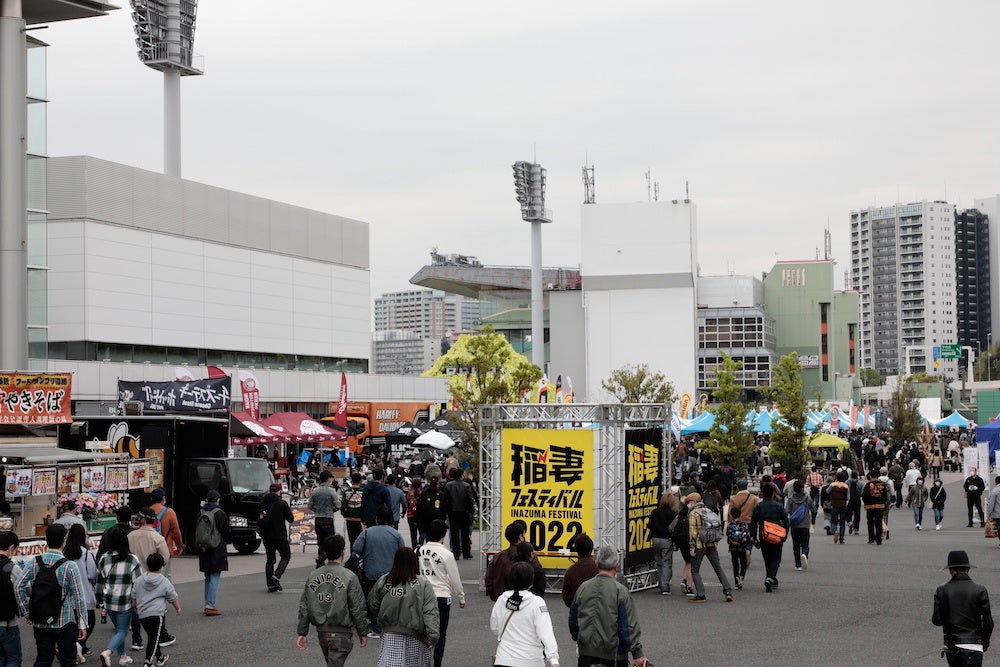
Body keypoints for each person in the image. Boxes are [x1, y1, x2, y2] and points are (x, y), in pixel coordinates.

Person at [14, 523, 87, 667]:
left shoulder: (35, 562)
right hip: (64, 620)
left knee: (43, 659)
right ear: (64, 540)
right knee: (67, 660)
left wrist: (27, 612)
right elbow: (79, 597)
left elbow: (18, 586)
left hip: (40, 620)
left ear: (46, 539)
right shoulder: (70, 565)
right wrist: (82, 623)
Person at [297, 535, 369, 666]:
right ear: (343, 552)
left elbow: (305, 605)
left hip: (322, 631)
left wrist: (302, 631)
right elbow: (357, 607)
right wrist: (362, 631)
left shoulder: (314, 575)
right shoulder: (349, 576)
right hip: (341, 631)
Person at [569, 545, 647, 667]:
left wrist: (578, 638)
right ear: (617, 565)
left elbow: (573, 621)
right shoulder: (620, 591)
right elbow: (628, 626)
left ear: (596, 563)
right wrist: (637, 653)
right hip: (614, 654)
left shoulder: (583, 588)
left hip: (586, 652)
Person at [367, 547, 439, 667]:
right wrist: (433, 637)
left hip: (389, 635)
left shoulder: (384, 581)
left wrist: (384, 613)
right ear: (414, 563)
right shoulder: (423, 584)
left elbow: (373, 603)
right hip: (415, 637)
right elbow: (430, 612)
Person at [416, 520, 465, 667]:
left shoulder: (418, 551)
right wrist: (461, 597)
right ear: (444, 535)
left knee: (421, 631)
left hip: (421, 595)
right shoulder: (447, 554)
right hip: (441, 596)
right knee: (440, 633)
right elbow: (454, 578)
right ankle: (436, 663)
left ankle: (421, 662)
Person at [491, 562, 560, 667]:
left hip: (504, 658)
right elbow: (546, 632)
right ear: (531, 581)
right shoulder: (537, 602)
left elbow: (494, 628)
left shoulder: (502, 599)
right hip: (531, 660)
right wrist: (554, 659)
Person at [932, 550, 993, 666]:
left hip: (952, 645)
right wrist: (984, 642)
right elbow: (988, 623)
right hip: (974, 644)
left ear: (951, 570)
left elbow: (937, 620)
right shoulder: (980, 590)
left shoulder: (942, 590)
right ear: (968, 569)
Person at [353, 508, 404, 637]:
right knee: (391, 599)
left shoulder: (367, 533)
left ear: (376, 519)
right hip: (391, 573)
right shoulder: (396, 534)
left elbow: (356, 548)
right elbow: (402, 552)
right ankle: (391, 624)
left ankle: (376, 627)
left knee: (372, 600)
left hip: (371, 572)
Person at [127, 508, 173, 652]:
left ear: (142, 520)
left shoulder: (131, 535)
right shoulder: (158, 538)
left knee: (136, 606)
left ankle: (137, 639)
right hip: (153, 576)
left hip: (135, 575)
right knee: (158, 606)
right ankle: (161, 636)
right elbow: (165, 558)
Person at [96, 526, 142, 667]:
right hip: (125, 601)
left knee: (119, 629)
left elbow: (100, 582)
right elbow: (137, 584)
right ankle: (108, 653)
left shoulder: (104, 558)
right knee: (122, 631)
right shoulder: (132, 559)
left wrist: (99, 599)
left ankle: (123, 656)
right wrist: (137, 601)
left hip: (109, 600)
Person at [131, 553, 180, 667]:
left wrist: (135, 605)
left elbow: (134, 594)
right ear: (161, 566)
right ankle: (147, 662)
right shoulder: (164, 581)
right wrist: (178, 607)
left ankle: (160, 657)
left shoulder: (139, 580)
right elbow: (172, 596)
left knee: (153, 636)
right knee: (154, 638)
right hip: (157, 614)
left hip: (143, 614)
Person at [685, 492, 733, 602]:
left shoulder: (694, 513)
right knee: (718, 568)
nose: (688, 504)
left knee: (695, 570)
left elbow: (692, 532)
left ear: (693, 501)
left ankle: (701, 594)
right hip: (711, 544)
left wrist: (692, 548)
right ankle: (727, 591)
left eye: (689, 502)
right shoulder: (708, 511)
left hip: (699, 545)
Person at [63, 523, 98, 661]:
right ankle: (78, 646)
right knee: (90, 622)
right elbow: (93, 574)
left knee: (72, 625)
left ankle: (75, 647)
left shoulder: (64, 553)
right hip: (85, 594)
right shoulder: (85, 553)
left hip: (67, 597)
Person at [750, 483, 788, 593]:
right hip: (776, 535)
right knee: (776, 558)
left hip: (764, 535)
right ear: (772, 493)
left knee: (767, 558)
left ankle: (770, 578)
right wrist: (784, 534)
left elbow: (753, 524)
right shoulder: (778, 506)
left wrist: (754, 537)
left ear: (762, 493)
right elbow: (786, 521)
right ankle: (770, 578)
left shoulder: (758, 507)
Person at [257, 482, 294, 592]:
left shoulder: (262, 503)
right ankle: (276, 576)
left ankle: (270, 585)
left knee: (270, 560)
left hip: (266, 536)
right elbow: (290, 519)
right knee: (286, 555)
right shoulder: (281, 503)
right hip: (279, 535)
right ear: (279, 491)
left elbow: (258, 518)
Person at [197, 490, 230, 616]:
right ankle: (210, 605)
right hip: (217, 547)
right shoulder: (220, 513)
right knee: (215, 575)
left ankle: (207, 602)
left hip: (204, 547)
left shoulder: (201, 512)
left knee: (208, 576)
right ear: (217, 500)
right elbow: (225, 531)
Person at [485, 523, 526, 602]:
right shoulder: (526, 556)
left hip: (500, 599)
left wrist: (495, 596)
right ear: (520, 537)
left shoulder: (498, 556)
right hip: (522, 600)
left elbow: (488, 579)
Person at [309, 471, 341, 569]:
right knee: (330, 542)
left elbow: (310, 505)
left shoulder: (315, 491)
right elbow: (338, 505)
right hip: (328, 519)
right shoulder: (331, 491)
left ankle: (320, 563)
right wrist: (331, 510)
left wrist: (317, 510)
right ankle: (322, 559)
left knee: (321, 542)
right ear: (328, 479)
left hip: (318, 519)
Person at [442, 468, 475, 560]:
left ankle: (456, 553)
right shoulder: (466, 486)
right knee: (465, 533)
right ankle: (466, 552)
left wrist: (445, 511)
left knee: (454, 533)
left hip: (452, 511)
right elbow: (470, 499)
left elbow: (445, 500)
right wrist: (471, 510)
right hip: (464, 511)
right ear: (461, 475)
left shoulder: (448, 485)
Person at [0, 532, 22, 667]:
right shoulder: (12, 568)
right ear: (11, 547)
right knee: (13, 659)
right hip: (8, 622)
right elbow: (23, 592)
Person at [649, 492, 678, 594]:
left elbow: (650, 526)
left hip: (655, 539)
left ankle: (661, 582)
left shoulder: (654, 512)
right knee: (666, 562)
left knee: (659, 562)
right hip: (666, 539)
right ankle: (665, 584)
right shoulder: (673, 514)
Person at [560, 533, 598, 607]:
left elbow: (566, 597)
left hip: (577, 611)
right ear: (591, 548)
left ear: (576, 550)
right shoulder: (599, 569)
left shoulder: (570, 572)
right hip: (597, 611)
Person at [785, 480, 812, 570]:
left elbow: (786, 511)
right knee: (805, 543)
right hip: (805, 524)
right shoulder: (807, 498)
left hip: (794, 525)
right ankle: (804, 554)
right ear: (802, 488)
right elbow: (814, 509)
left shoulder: (791, 499)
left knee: (795, 545)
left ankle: (798, 564)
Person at [148, 490, 182, 557]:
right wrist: (179, 546)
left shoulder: (146, 512)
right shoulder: (169, 512)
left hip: (148, 547)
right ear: (163, 498)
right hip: (165, 549)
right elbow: (176, 532)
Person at [861, 470, 888, 545]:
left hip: (870, 506)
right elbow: (885, 495)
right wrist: (885, 504)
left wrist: (866, 503)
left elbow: (864, 495)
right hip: (880, 505)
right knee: (878, 522)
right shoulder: (882, 485)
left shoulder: (868, 484)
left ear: (870, 476)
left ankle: (871, 538)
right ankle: (879, 539)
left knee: (870, 522)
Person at [340, 472, 365, 551]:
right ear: (361, 481)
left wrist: (345, 515)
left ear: (351, 481)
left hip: (349, 520)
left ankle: (352, 556)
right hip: (360, 521)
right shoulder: (363, 492)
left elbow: (343, 505)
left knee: (352, 540)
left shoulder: (346, 492)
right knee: (360, 540)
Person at [829, 471, 850, 545]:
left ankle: (835, 531)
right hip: (843, 505)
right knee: (842, 522)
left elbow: (827, 491)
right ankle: (841, 539)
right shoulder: (846, 486)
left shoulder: (832, 485)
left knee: (833, 521)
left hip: (834, 504)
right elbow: (848, 497)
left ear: (836, 477)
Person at [404, 478, 423, 548]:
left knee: (413, 533)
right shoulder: (421, 493)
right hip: (420, 515)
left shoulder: (409, 493)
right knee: (422, 531)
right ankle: (420, 543)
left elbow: (407, 504)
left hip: (410, 515)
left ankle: (414, 547)